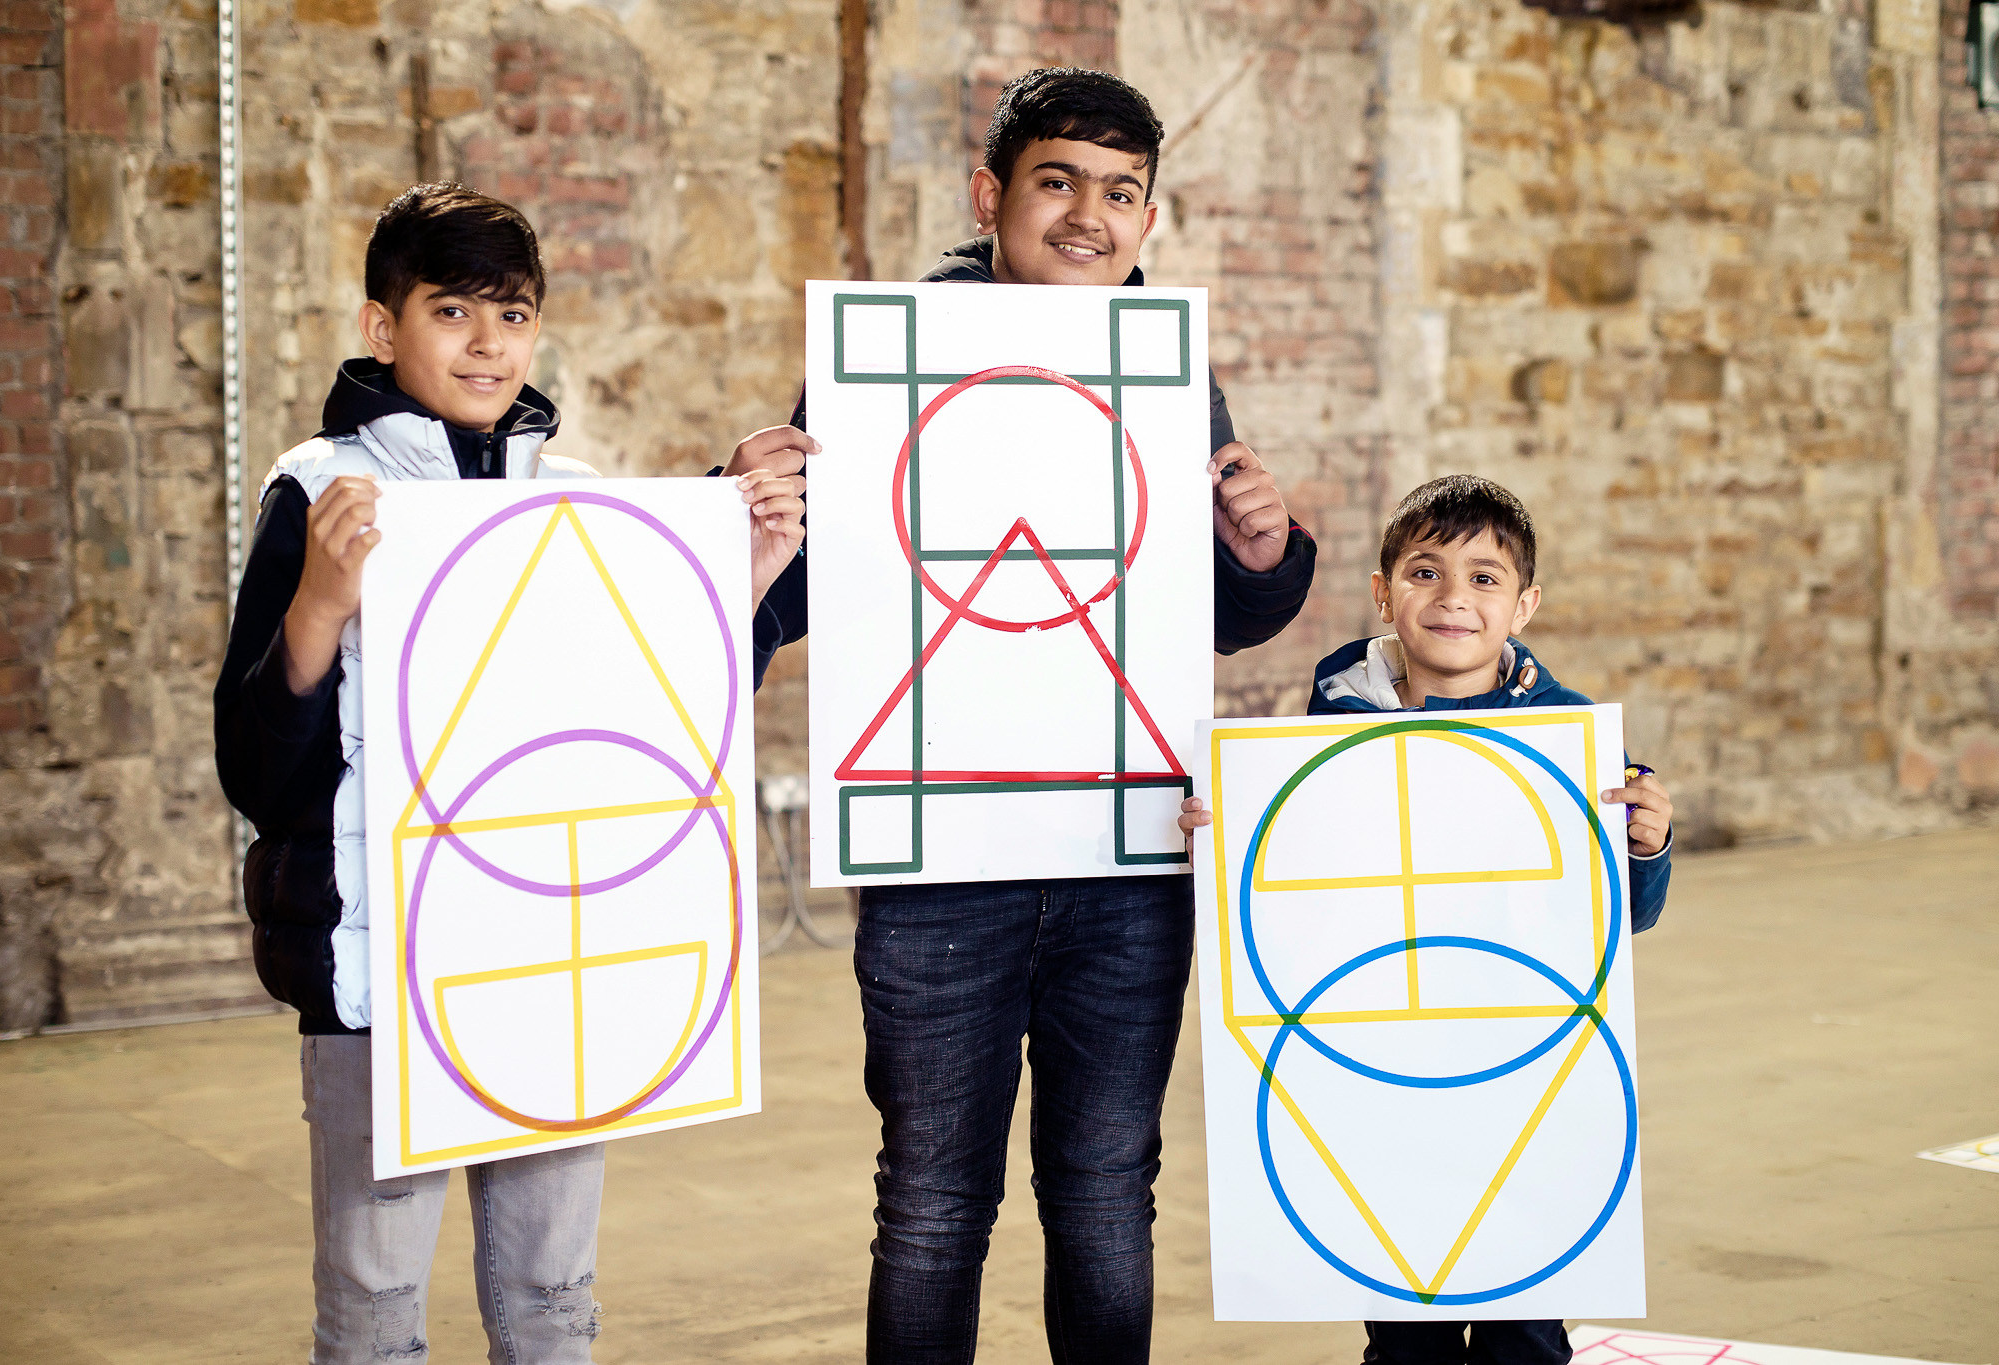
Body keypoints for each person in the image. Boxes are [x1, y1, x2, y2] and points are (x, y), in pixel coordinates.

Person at [744, 67, 1317, 1364]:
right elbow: (788, 598)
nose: (1089, 217)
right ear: (989, 195)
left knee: (1110, 1190)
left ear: (1150, 220)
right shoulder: (882, 358)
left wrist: (1267, 550)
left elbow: (1210, 614)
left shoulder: (1170, 369)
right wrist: (748, 537)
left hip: (1128, 861)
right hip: (939, 863)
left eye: (1122, 194)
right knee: (936, 1204)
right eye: (1058, 181)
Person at [212, 182, 811, 1364]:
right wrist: (322, 604)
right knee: (374, 1302)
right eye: (452, 312)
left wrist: (740, 571)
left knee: (552, 1295)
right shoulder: (321, 492)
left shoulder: (576, 496)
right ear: (384, 328)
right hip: (377, 971)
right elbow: (257, 771)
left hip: (550, 955)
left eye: (514, 314)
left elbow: (653, 727)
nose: (489, 344)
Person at [1179, 473, 1674, 1365]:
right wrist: (1231, 838)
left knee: (1524, 1311)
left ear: (1524, 606)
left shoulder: (1569, 735)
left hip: (1525, 1051)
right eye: (1425, 571)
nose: (1453, 598)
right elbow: (1311, 873)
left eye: (1485, 579)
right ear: (1383, 593)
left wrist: (1642, 845)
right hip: (1380, 1049)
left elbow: (1622, 920)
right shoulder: (1336, 711)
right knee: (1405, 1301)